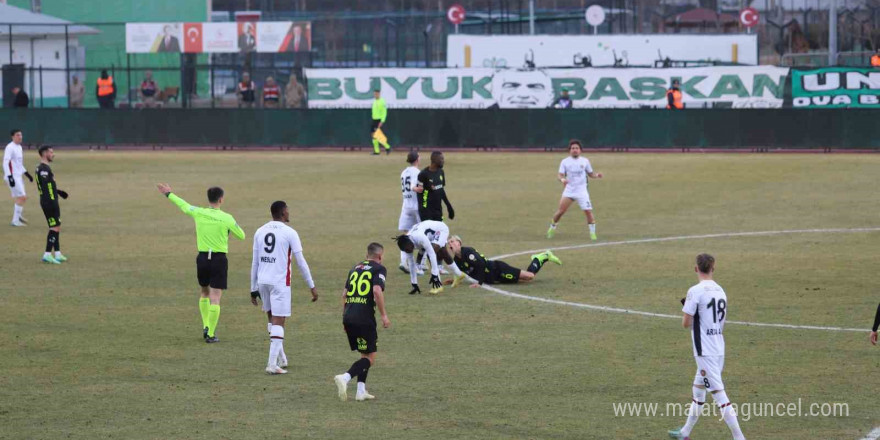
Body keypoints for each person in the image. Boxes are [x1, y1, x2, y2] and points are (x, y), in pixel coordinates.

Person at [669, 254, 746, 440]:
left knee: (719, 395)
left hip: (705, 351)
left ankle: (739, 438)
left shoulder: (695, 291)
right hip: (718, 346)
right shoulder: (721, 290)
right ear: (713, 268)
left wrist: (691, 311)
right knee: (698, 388)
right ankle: (685, 433)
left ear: (696, 268)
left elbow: (686, 323)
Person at [156, 183, 246, 343]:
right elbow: (242, 236)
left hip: (203, 258)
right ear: (221, 199)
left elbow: (183, 205)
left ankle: (205, 325)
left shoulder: (198, 212)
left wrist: (169, 194)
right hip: (219, 259)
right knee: (216, 297)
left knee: (204, 292)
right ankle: (210, 333)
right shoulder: (227, 218)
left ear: (209, 199)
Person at [251, 201, 318, 374]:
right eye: (287, 210)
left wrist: (253, 288)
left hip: (263, 281)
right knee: (279, 322)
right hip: (280, 282)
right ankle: (272, 364)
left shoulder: (260, 231)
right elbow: (301, 262)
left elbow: (255, 261)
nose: (289, 213)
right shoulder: (290, 233)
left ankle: (281, 358)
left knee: (272, 320)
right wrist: (311, 285)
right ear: (282, 213)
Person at [334, 242, 391, 402]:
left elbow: (344, 294)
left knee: (364, 353)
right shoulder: (380, 268)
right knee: (370, 358)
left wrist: (345, 319)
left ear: (367, 255)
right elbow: (376, 291)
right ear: (380, 256)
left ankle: (361, 391)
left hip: (349, 315)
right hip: (364, 317)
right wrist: (384, 316)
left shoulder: (354, 268)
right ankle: (345, 377)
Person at [445, 236, 561, 287]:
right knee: (524, 281)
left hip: (497, 269)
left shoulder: (468, 252)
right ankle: (540, 258)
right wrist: (453, 280)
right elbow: (461, 272)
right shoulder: (456, 260)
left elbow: (480, 264)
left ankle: (542, 257)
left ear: (459, 243)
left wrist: (479, 283)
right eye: (449, 243)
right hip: (495, 278)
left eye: (452, 242)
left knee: (529, 276)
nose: (450, 244)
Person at [547, 139, 603, 240]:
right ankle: (552, 227)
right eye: (573, 148)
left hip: (582, 192)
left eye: (577, 148)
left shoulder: (585, 161)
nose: (575, 150)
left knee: (588, 212)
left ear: (580, 150)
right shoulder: (565, 162)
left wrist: (597, 175)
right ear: (570, 150)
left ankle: (592, 233)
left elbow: (590, 174)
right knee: (560, 212)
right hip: (569, 191)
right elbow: (560, 175)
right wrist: (563, 179)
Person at [394, 220, 463, 295]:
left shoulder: (419, 237)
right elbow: (411, 264)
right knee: (444, 253)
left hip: (441, 229)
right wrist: (414, 284)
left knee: (431, 252)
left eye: (408, 249)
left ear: (410, 242)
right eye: (406, 251)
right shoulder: (407, 244)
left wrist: (434, 275)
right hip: (430, 234)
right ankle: (459, 274)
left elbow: (432, 254)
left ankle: (438, 285)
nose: (408, 251)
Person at [35, 146, 69, 264]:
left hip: (50, 200)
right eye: (51, 152)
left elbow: (49, 185)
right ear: (45, 154)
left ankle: (58, 253)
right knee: (54, 227)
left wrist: (58, 192)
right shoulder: (43, 169)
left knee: (57, 226)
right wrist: (52, 199)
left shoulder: (44, 168)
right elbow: (45, 187)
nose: (53, 154)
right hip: (49, 202)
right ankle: (47, 254)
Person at [397, 151, 423, 274]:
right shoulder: (417, 172)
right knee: (424, 234)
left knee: (406, 235)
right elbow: (415, 186)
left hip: (406, 206)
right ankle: (420, 264)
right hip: (416, 206)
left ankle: (403, 262)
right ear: (417, 159)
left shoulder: (403, 172)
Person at [4, 129, 33, 226]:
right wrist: (10, 177)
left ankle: (18, 216)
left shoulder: (19, 147)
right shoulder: (10, 147)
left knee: (22, 197)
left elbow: (19, 164)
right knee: (22, 197)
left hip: (18, 177)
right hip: (13, 177)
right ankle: (15, 221)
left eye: (21, 135)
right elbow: (5, 163)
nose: (20, 137)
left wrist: (27, 174)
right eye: (17, 135)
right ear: (13, 137)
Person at [371, 89, 391, 155]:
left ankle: (387, 147)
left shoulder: (382, 101)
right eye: (374, 94)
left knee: (377, 135)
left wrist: (382, 121)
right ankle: (377, 151)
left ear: (379, 94)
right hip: (374, 119)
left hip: (378, 120)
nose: (375, 95)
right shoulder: (374, 101)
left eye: (376, 94)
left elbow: (384, 112)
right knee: (374, 135)